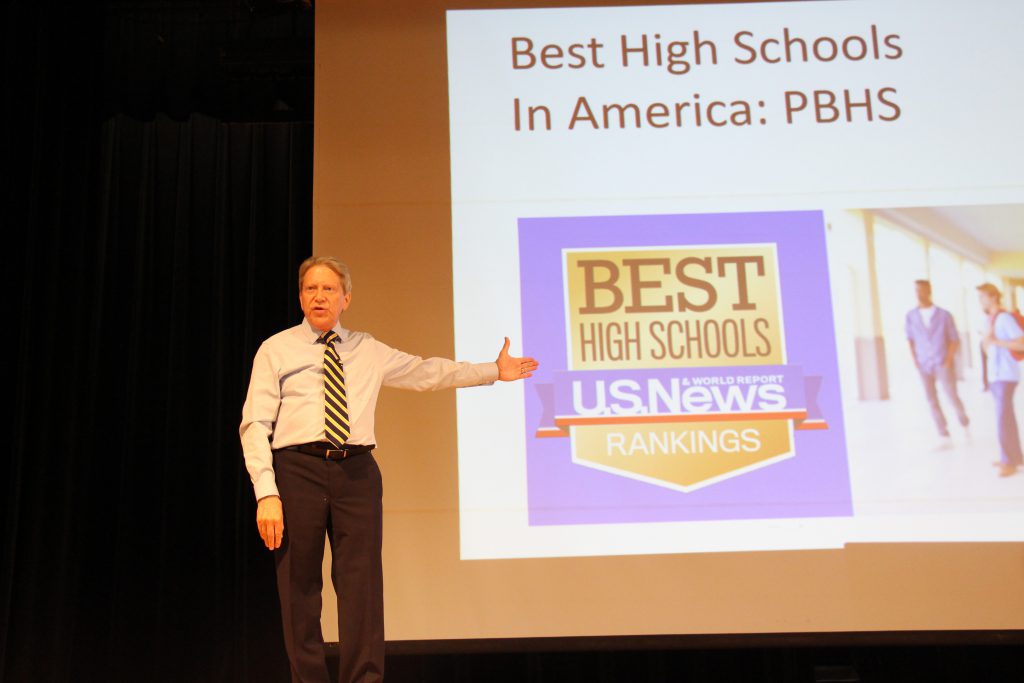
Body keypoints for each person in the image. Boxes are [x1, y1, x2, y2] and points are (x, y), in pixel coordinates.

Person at [240, 256, 538, 683]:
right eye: (310, 289)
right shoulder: (276, 349)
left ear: (346, 298)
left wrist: (493, 370)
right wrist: (266, 492)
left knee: (361, 588)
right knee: (298, 589)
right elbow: (255, 423)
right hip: (296, 472)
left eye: (328, 289)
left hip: (356, 473)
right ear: (300, 297)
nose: (319, 296)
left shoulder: (367, 348)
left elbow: (425, 372)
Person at [905, 279, 968, 440]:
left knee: (951, 394)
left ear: (929, 291)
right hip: (923, 364)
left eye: (922, 290)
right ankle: (942, 428)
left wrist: (948, 360)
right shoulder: (911, 316)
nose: (919, 294)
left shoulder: (944, 315)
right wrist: (915, 361)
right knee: (931, 398)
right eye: (916, 290)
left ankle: (962, 415)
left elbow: (954, 339)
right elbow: (910, 340)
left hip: (942, 362)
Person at [978, 283, 1024, 478]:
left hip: (1005, 375)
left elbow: (1021, 342)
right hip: (997, 375)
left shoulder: (1004, 318)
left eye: (982, 297)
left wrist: (995, 341)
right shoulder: (991, 319)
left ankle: (1009, 462)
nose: (979, 301)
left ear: (993, 297)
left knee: (1002, 419)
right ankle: (1014, 458)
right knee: (1006, 418)